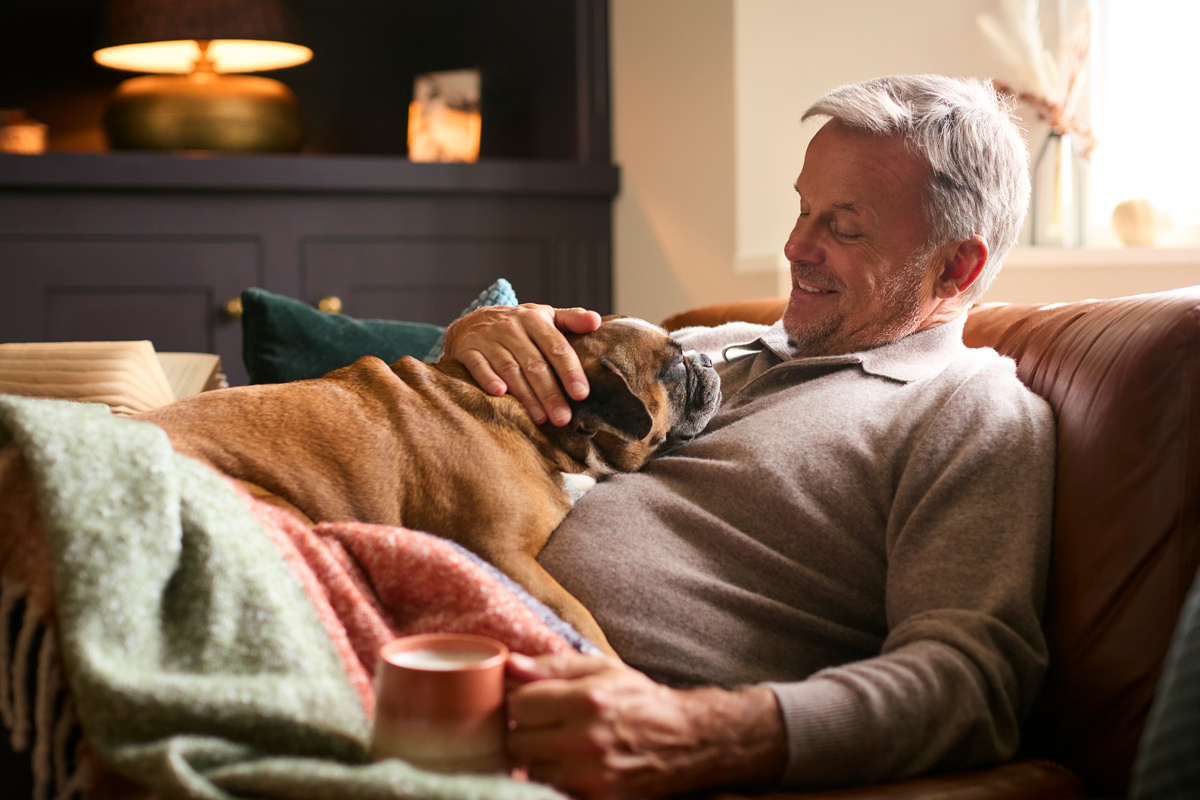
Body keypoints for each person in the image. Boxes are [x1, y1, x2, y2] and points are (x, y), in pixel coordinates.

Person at [441, 74, 1055, 799]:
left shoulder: (969, 409)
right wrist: (477, 339)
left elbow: (971, 681)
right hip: (433, 613)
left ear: (958, 264)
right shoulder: (708, 345)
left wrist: (705, 732)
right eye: (802, 210)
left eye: (844, 227)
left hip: (545, 705)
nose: (796, 245)